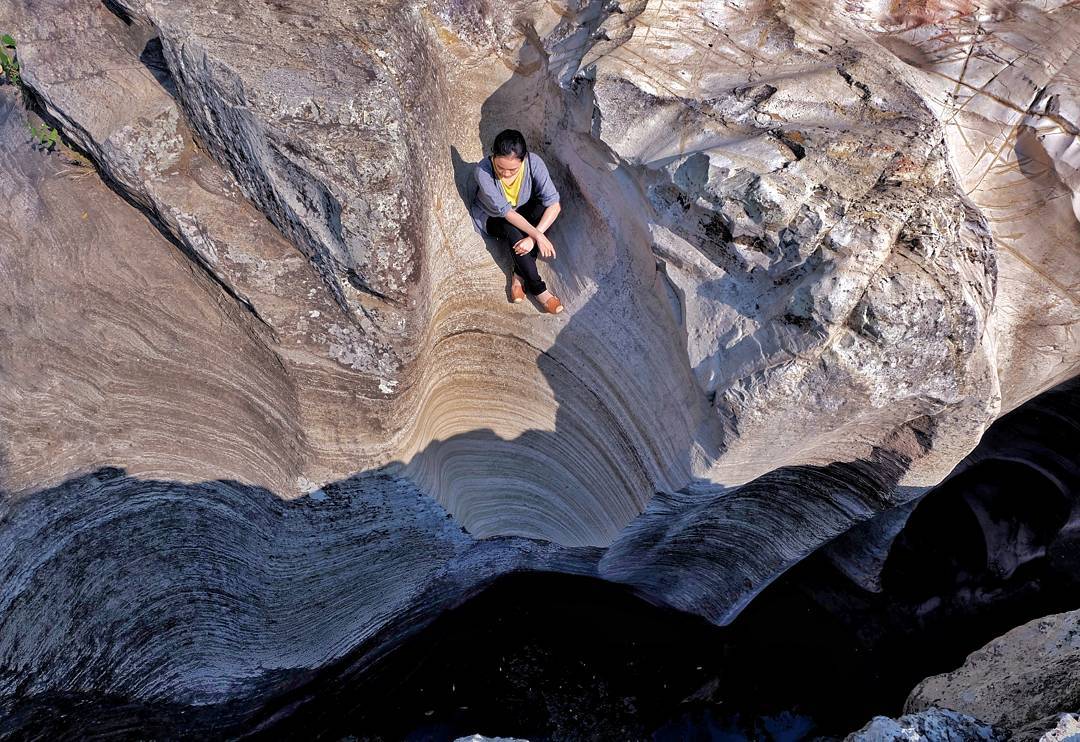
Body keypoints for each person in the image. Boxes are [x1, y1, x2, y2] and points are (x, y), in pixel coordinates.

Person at [470, 129, 565, 314]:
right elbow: (506, 214)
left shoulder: (533, 162)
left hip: (521, 209)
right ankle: (539, 290)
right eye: (500, 167)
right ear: (493, 156)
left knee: (543, 210)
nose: (505, 174)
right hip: (493, 217)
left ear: (523, 159)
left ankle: (518, 275)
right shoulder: (483, 171)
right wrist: (538, 235)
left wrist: (532, 238)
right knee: (512, 229)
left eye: (512, 169)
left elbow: (554, 204)